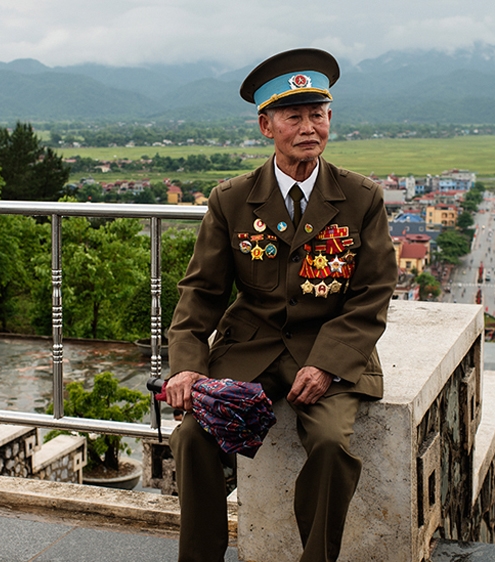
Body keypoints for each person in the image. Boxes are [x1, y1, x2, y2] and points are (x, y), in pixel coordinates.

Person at [163, 48, 398, 562]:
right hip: (252, 346)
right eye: (295, 116)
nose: (309, 127)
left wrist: (329, 364)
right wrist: (185, 367)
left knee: (333, 444)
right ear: (267, 125)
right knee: (192, 439)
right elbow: (202, 291)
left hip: (329, 349)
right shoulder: (232, 199)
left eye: (319, 114)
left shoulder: (361, 198)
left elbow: (372, 293)